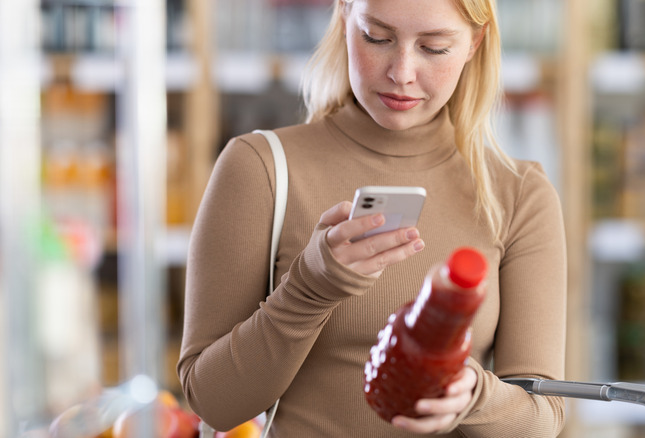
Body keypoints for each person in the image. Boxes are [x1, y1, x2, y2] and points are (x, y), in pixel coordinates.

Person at [177, 0, 567, 436]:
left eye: (434, 48)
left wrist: (474, 395)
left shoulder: (517, 192)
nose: (401, 72)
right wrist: (309, 290)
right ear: (344, 16)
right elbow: (211, 400)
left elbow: (543, 418)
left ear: (474, 43)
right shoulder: (261, 167)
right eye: (377, 38)